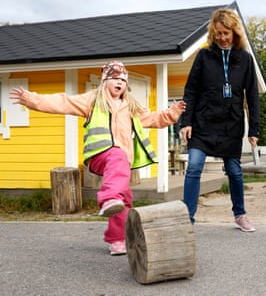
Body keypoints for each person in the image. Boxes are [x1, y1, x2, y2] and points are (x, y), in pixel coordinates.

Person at [10, 60, 186, 255]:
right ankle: (108, 198)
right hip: (101, 153)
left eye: (122, 80)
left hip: (120, 161)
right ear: (104, 81)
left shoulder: (131, 107)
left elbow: (154, 119)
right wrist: (31, 99)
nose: (119, 83)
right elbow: (62, 102)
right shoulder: (93, 100)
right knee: (117, 171)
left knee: (125, 198)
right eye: (114, 79)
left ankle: (117, 239)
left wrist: (173, 112)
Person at [180, 8, 260, 231]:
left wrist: (254, 129)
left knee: (234, 170)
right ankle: (188, 218)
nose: (223, 38)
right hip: (203, 123)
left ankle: (240, 214)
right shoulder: (203, 56)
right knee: (194, 166)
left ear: (235, 33)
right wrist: (186, 122)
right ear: (213, 34)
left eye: (227, 33)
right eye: (218, 34)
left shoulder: (245, 59)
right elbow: (191, 91)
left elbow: (252, 97)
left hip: (230, 124)